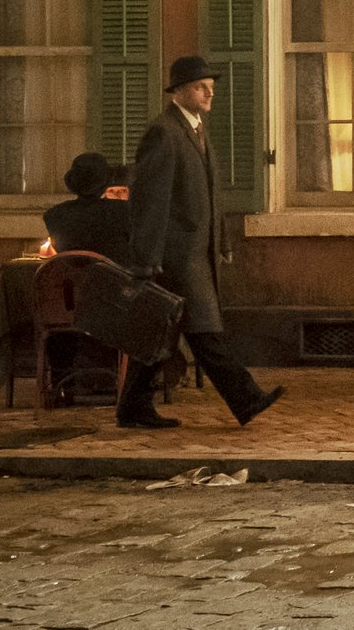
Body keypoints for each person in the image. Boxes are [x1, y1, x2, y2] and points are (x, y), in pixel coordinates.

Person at [116, 56, 284, 431]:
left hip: (195, 253)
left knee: (161, 334)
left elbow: (210, 195)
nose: (209, 92)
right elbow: (150, 202)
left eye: (210, 85)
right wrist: (146, 261)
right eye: (199, 86)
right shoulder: (164, 133)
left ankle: (131, 408)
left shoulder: (195, 130)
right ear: (178, 92)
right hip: (176, 259)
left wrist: (221, 241)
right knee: (206, 332)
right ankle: (247, 399)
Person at [43, 152, 133, 264]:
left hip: (74, 280)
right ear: (106, 182)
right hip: (116, 280)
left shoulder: (53, 215)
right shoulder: (124, 211)